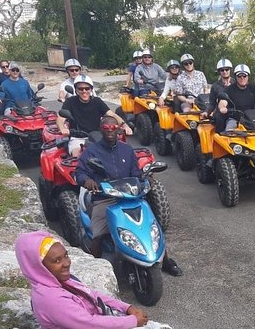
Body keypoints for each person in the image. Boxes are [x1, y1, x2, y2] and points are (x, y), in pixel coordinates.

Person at [14, 231, 229, 329]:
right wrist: (131, 322)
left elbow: (93, 294)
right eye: (56, 260)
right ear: (38, 265)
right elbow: (90, 325)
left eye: (65, 256)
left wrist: (126, 307)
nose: (66, 263)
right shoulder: (50, 298)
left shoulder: (57, 280)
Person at [75, 116, 183, 277]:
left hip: (130, 196)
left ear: (118, 129)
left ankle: (166, 261)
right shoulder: (91, 152)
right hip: (106, 198)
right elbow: (79, 172)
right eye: (106, 128)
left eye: (113, 128)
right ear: (101, 129)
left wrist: (146, 179)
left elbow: (135, 172)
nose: (110, 131)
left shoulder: (127, 149)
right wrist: (88, 181)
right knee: (98, 233)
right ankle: (95, 272)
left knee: (152, 227)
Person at [57, 75, 132, 156]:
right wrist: (62, 128)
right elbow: (60, 118)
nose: (84, 91)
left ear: (91, 89)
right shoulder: (70, 101)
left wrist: (125, 126)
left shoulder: (97, 101)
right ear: (76, 90)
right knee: (78, 157)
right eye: (80, 89)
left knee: (119, 154)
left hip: (98, 136)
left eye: (87, 88)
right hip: (78, 138)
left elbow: (112, 114)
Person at [216, 64, 255, 131]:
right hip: (236, 119)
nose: (242, 78)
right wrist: (222, 108)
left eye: (244, 75)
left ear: (248, 76)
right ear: (236, 77)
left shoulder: (253, 88)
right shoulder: (229, 89)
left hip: (253, 118)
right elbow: (223, 101)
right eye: (239, 76)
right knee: (230, 132)